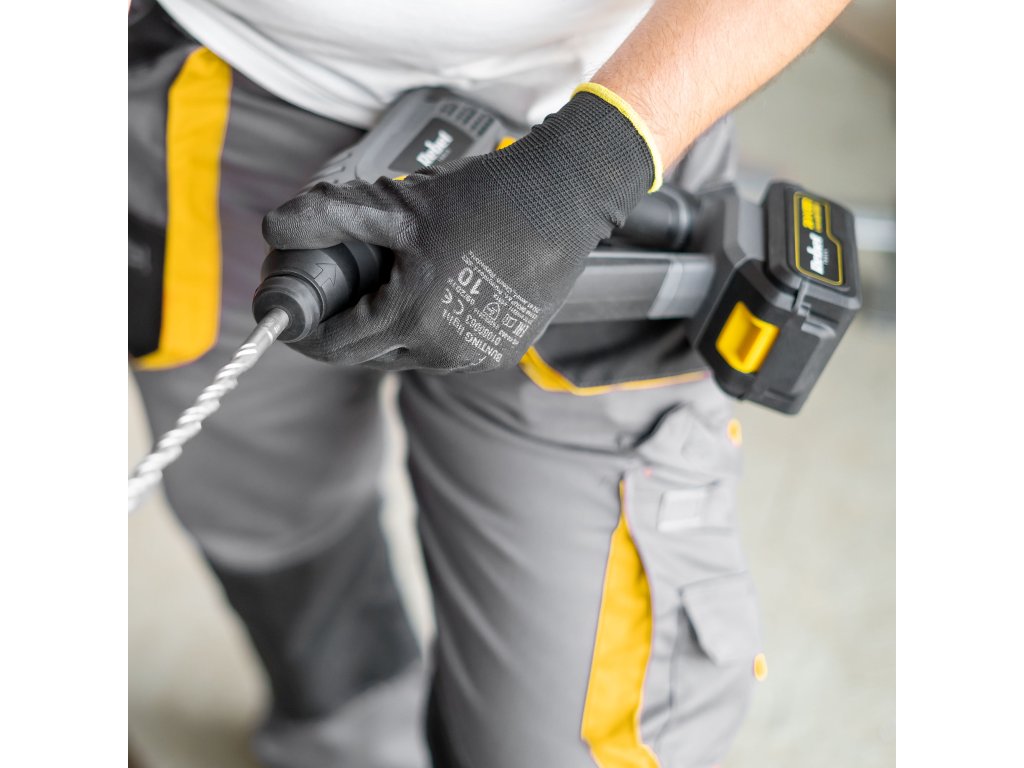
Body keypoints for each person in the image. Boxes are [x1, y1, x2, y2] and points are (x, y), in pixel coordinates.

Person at [128, 0, 850, 765]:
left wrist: (585, 171)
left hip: (620, 126)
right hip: (228, 95)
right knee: (265, 505)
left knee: (573, 737)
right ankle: (347, 724)